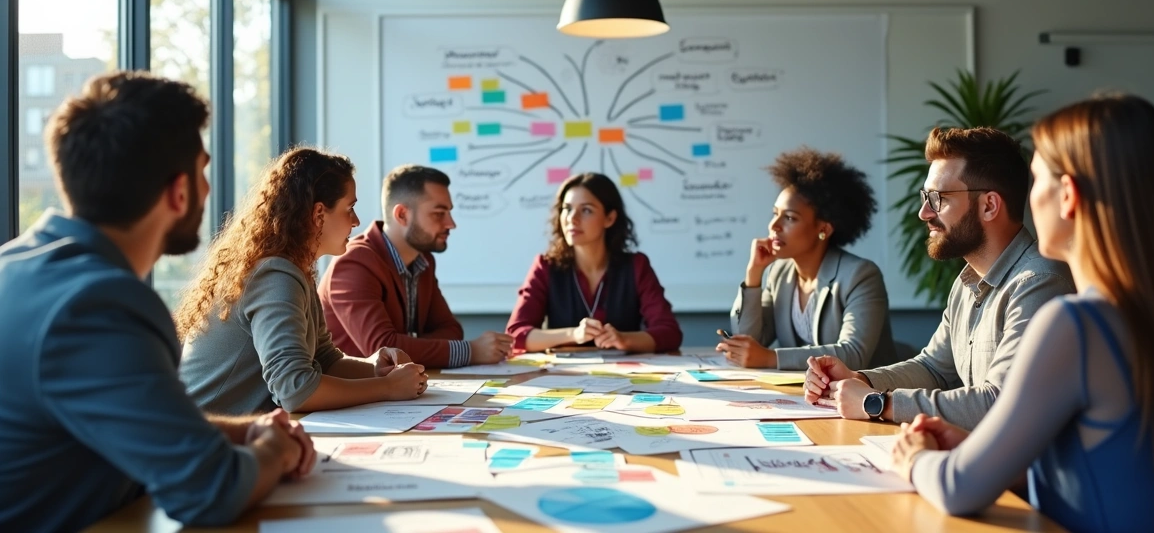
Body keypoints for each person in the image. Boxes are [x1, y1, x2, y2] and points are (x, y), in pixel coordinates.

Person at [0, 71, 313, 531]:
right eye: (203, 169)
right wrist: (277, 449)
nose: (208, 188)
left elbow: (131, 420)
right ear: (179, 191)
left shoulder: (19, 266)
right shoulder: (97, 305)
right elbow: (211, 491)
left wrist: (246, 430)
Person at [891, 95, 1154, 529]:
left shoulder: (1078, 325)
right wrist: (979, 448)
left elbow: (957, 489)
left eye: (1036, 178)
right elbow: (1112, 474)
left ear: (1068, 196)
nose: (1026, 198)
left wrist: (915, 458)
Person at [804, 127, 1073, 429]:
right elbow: (934, 368)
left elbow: (1000, 402)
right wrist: (860, 379)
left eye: (938, 198)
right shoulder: (967, 282)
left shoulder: (1039, 283)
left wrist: (876, 402)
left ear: (989, 205)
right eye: (925, 197)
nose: (923, 213)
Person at [176, 148, 428, 415]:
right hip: (199, 441)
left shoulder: (294, 269)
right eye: (349, 208)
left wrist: (376, 369)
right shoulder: (274, 275)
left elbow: (325, 359)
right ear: (319, 213)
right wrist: (387, 388)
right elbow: (294, 390)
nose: (356, 221)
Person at [719, 147, 896, 370]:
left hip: (868, 397)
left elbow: (853, 354)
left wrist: (770, 358)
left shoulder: (860, 276)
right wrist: (754, 275)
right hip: (806, 397)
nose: (774, 226)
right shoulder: (779, 273)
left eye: (790, 218)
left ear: (823, 229)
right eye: (775, 214)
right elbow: (750, 341)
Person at [320, 164, 512, 368]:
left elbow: (451, 329)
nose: (451, 224)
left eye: (449, 212)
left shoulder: (423, 260)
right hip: (354, 394)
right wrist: (471, 351)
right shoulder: (355, 262)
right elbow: (383, 349)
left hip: (396, 390)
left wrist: (406, 344)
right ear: (402, 215)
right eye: (439, 213)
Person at [506, 172, 682, 353]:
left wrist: (624, 339)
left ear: (610, 218)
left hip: (625, 375)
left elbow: (669, 333)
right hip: (564, 377)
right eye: (567, 209)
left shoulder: (636, 266)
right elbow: (516, 335)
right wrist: (573, 334)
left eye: (586, 210)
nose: (572, 219)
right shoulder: (545, 266)